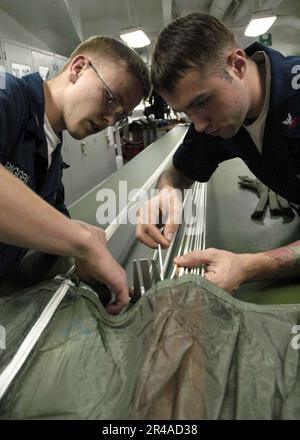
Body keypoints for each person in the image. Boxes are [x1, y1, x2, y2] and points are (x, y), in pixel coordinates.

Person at [136, 12, 300, 293]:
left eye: (200, 102)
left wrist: (251, 266)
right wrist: (168, 192)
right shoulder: (220, 116)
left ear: (237, 65)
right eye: (186, 111)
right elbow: (178, 171)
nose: (197, 125)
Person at [0, 35, 150, 313]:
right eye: (110, 100)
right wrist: (80, 243)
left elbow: (49, 215)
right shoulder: (7, 95)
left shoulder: (52, 149)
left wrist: (80, 238)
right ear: (78, 68)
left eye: (120, 116)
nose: (109, 121)